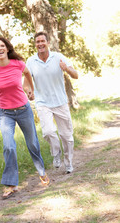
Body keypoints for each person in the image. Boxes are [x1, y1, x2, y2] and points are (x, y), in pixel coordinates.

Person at [0, 37, 49, 200]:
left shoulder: (18, 64)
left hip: (23, 109)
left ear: (7, 49)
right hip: (5, 113)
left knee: (32, 143)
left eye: (2, 45)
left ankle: (42, 171)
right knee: (8, 146)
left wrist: (30, 89)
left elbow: (28, 74)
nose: (0, 48)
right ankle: (11, 185)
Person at [23, 31, 78, 174]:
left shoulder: (58, 57)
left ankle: (69, 161)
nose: (40, 44)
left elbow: (75, 75)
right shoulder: (31, 61)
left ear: (48, 43)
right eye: (37, 42)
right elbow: (26, 84)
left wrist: (66, 69)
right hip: (43, 103)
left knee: (66, 136)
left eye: (42, 41)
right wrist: (29, 91)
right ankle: (56, 153)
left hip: (60, 102)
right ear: (35, 45)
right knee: (48, 132)